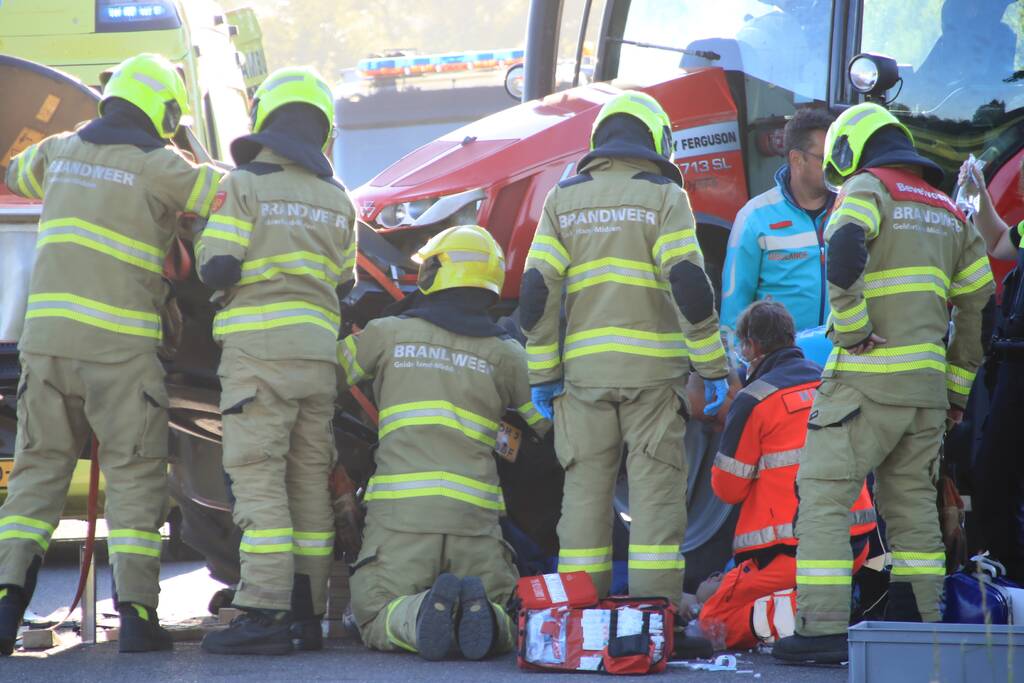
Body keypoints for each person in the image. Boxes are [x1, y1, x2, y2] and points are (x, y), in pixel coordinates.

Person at [0, 53, 222, 655]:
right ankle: (139, 617)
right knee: (134, 477)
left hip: (45, 347)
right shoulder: (163, 166)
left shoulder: (60, 151)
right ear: (165, 114)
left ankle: (5, 606)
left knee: (36, 475)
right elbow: (225, 196)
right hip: (120, 354)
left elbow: (17, 172)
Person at [772, 103, 995, 664]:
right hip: (925, 394)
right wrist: (957, 393)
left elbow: (844, 247)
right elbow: (979, 305)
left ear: (852, 149)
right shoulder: (949, 209)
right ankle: (918, 624)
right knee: (913, 506)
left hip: (865, 387)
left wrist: (851, 331)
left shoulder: (867, 188)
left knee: (824, 498)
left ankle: (820, 629)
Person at [520, 91, 729, 656]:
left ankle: (573, 624)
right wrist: (712, 365)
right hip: (653, 378)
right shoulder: (665, 196)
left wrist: (542, 374)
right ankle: (653, 623)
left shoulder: (564, 199)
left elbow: (536, 292)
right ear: (656, 142)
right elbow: (688, 281)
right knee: (657, 496)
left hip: (583, 378)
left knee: (583, 497)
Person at [197, 66, 356, 656]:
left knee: (259, 477)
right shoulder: (338, 198)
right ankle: (306, 615)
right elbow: (347, 282)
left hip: (258, 355)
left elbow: (218, 266)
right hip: (317, 360)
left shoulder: (245, 184)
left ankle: (262, 611)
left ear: (265, 120)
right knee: (309, 482)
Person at [338, 225, 549, 661]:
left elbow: (319, 375)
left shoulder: (386, 334)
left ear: (436, 273)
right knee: (509, 610)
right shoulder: (507, 354)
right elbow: (547, 427)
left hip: (402, 522)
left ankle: (419, 617)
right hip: (474, 525)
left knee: (375, 612)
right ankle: (486, 620)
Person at [700, 301, 877, 650]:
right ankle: (827, 602)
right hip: (855, 542)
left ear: (751, 347)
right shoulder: (831, 382)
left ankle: (811, 614)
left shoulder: (754, 399)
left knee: (713, 623)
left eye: (742, 346)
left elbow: (728, 489)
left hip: (788, 552)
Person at [955, 157, 1024, 584]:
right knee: (993, 474)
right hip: (1014, 363)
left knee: (998, 474)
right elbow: (1001, 240)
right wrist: (978, 195)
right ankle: (1011, 575)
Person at [721, 108, 836, 336]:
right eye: (825, 159)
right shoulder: (754, 217)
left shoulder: (852, 209)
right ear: (796, 158)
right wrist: (736, 366)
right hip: (780, 364)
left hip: (843, 359)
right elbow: (734, 306)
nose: (835, 166)